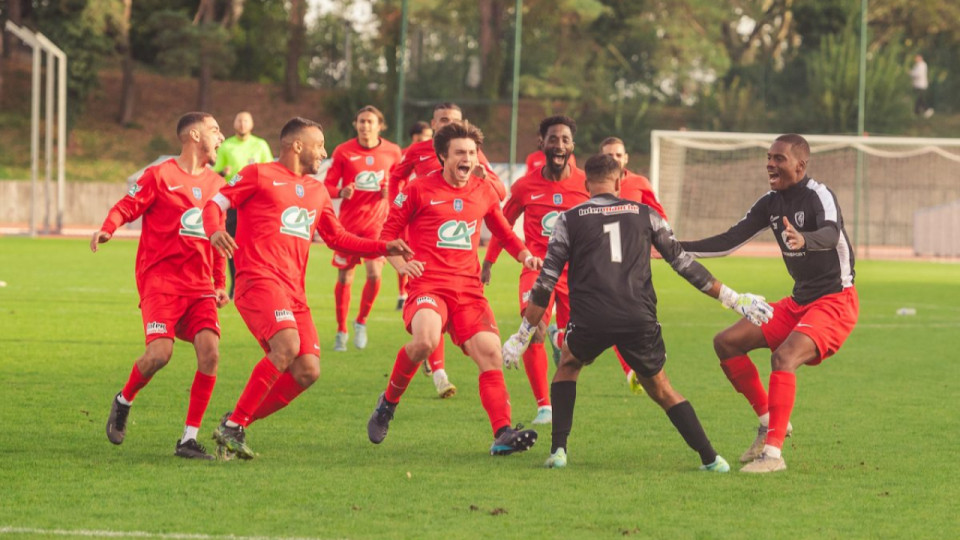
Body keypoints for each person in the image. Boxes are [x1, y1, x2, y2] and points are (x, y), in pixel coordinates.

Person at [502, 153, 772, 471]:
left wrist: (522, 335)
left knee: (569, 364)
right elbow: (684, 264)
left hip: (590, 317)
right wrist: (733, 298)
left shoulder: (569, 218)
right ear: (619, 182)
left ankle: (559, 451)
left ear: (587, 184)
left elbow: (546, 281)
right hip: (638, 317)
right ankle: (711, 458)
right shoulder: (646, 214)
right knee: (661, 387)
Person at [201, 117, 412, 459]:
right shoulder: (258, 174)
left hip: (293, 292)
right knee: (286, 345)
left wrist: (383, 246)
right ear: (297, 145)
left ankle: (235, 422)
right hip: (257, 280)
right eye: (320, 145)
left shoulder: (316, 192)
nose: (324, 153)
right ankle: (234, 426)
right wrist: (213, 231)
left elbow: (337, 237)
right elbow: (215, 204)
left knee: (308, 370)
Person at [680, 134, 858, 473]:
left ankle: (773, 456)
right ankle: (768, 422)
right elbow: (730, 241)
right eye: (768, 158)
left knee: (784, 357)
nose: (770, 164)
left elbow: (833, 234)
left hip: (835, 302)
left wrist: (804, 238)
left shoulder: (820, 195)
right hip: (799, 302)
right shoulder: (771, 202)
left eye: (778, 159)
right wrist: (675, 247)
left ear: (800, 165)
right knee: (727, 343)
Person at [367, 121, 543, 456]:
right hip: (428, 285)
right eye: (460, 153)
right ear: (442, 157)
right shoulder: (418, 189)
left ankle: (502, 433)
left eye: (473, 153)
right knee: (425, 341)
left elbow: (502, 230)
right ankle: (387, 404)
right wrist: (401, 265)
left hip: (468, 291)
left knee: (490, 351)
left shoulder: (483, 190)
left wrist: (524, 255)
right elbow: (387, 234)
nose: (469, 159)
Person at [93, 112, 228, 460]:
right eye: (215, 130)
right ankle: (124, 400)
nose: (221, 137)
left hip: (199, 286)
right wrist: (109, 227)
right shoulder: (160, 175)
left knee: (210, 352)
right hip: (161, 281)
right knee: (159, 355)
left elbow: (217, 237)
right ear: (195, 135)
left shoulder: (218, 186)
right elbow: (128, 204)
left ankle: (188, 439)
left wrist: (219, 282)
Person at [387, 102, 505, 398]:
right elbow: (396, 178)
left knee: (487, 350)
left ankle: (500, 428)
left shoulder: (470, 153)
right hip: (425, 237)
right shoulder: (417, 154)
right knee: (429, 322)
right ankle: (438, 371)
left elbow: (498, 194)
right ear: (433, 124)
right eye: (441, 120)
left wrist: (483, 176)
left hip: (462, 263)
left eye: (452, 119)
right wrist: (396, 205)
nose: (446, 124)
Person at [481, 115, 589, 425]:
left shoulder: (585, 183)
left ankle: (561, 339)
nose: (558, 145)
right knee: (534, 328)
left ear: (572, 146)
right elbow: (502, 224)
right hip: (538, 268)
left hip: (576, 273)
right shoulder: (525, 185)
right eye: (553, 139)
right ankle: (544, 406)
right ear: (541, 143)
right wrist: (488, 262)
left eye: (565, 139)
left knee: (576, 347)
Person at [323, 106, 402, 352]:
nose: (365, 126)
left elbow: (403, 186)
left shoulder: (393, 152)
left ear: (380, 125)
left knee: (374, 275)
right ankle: (341, 330)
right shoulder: (343, 151)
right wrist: (340, 192)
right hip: (347, 226)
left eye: (370, 122)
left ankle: (361, 322)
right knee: (345, 276)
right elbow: (326, 185)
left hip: (377, 226)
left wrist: (392, 194)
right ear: (355, 124)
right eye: (361, 121)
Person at [598, 136, 669, 394]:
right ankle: (634, 370)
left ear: (626, 158)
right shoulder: (594, 185)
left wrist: (659, 244)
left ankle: (638, 367)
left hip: (635, 263)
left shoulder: (639, 183)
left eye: (618, 155)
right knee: (614, 315)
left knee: (633, 315)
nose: (613, 159)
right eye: (608, 155)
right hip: (602, 264)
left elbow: (658, 216)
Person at [212, 111, 274, 299]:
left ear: (252, 124)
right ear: (234, 123)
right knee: (232, 244)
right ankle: (234, 285)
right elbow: (215, 173)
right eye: (238, 120)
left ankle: (258, 285)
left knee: (257, 246)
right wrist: (223, 171)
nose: (241, 124)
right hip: (232, 202)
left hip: (254, 204)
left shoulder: (260, 145)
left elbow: (270, 171)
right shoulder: (226, 145)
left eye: (245, 120)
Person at [393, 120, 434, 312]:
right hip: (407, 213)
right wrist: (396, 204)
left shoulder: (443, 153)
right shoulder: (405, 154)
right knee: (403, 252)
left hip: (427, 213)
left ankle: (416, 293)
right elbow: (394, 178)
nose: (423, 141)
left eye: (426, 137)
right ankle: (403, 293)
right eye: (420, 138)